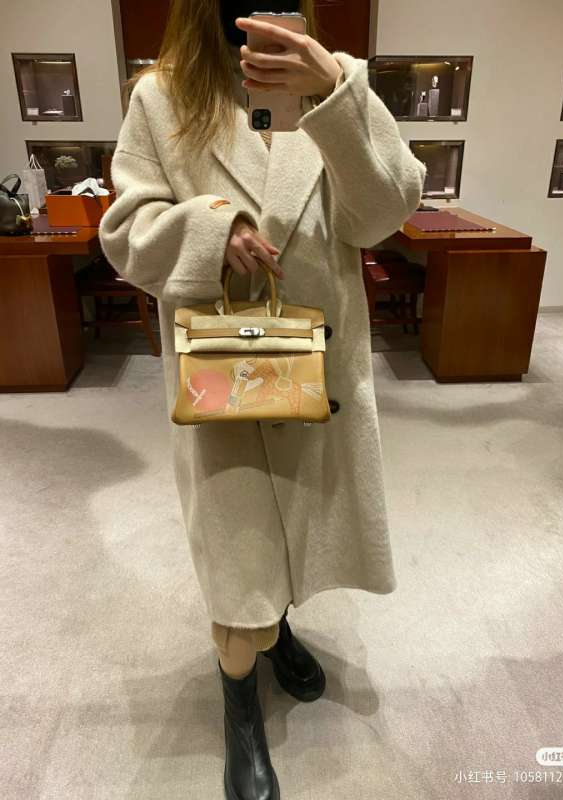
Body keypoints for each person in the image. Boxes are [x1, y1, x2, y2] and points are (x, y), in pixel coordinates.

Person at [98, 1, 426, 798]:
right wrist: (212, 231)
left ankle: (280, 631)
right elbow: (125, 232)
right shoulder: (162, 97)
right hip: (225, 375)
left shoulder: (337, 81)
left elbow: (384, 213)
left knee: (303, 529)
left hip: (320, 369)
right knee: (239, 552)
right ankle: (240, 706)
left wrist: (332, 94)